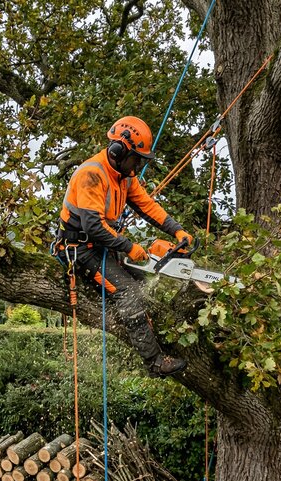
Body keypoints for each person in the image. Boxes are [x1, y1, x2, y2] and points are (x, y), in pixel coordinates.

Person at [54, 116, 193, 378]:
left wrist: (176, 230)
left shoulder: (125, 176)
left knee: (144, 280)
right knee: (129, 292)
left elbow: (147, 205)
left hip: (103, 246)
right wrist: (128, 247)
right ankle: (154, 362)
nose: (138, 165)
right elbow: (93, 226)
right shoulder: (92, 174)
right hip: (79, 249)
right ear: (119, 150)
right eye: (137, 159)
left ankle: (157, 339)